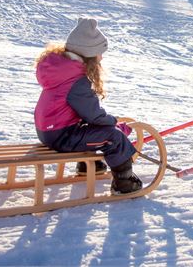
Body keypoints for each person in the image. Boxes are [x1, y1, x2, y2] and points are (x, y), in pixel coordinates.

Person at [34, 18, 142, 194]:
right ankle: (125, 183)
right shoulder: (75, 80)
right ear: (89, 55)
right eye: (100, 53)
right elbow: (94, 115)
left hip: (49, 130)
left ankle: (89, 166)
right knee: (114, 136)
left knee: (93, 127)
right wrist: (114, 122)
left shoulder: (63, 69)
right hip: (61, 137)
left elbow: (86, 114)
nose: (101, 57)